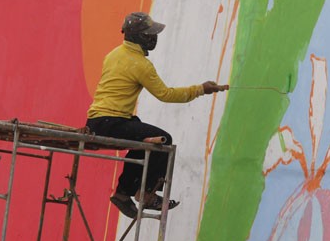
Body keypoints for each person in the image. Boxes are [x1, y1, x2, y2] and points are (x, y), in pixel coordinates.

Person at [86, 12, 228, 218]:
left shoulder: (113, 54)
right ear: (139, 36)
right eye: (149, 33)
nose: (154, 37)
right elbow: (166, 94)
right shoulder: (140, 64)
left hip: (97, 121)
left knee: (143, 140)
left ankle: (124, 193)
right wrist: (200, 89)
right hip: (112, 121)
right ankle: (146, 194)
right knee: (163, 141)